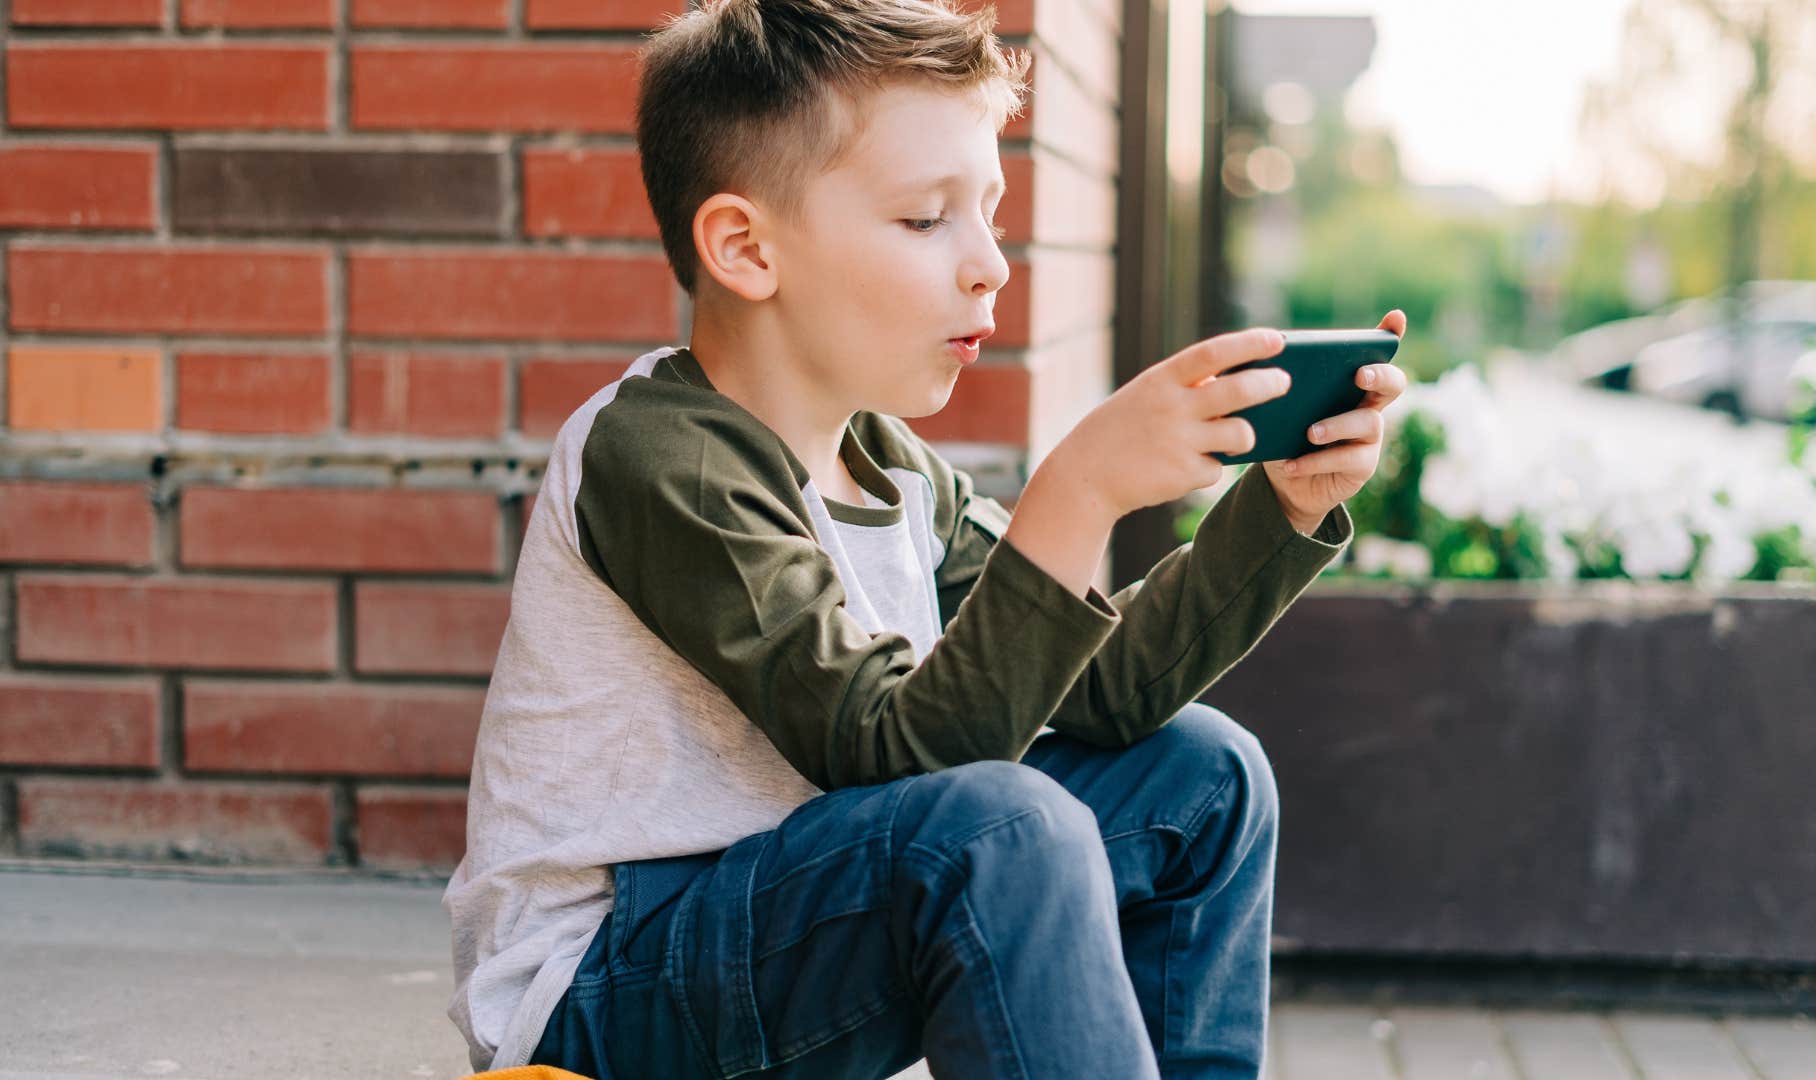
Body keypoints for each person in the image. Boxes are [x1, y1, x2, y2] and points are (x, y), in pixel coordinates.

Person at [442, 0, 1410, 1075]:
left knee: (1205, 778)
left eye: (989, 214)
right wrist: (1078, 491)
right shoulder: (663, 459)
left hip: (788, 917)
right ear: (745, 248)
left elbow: (1101, 694)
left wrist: (1281, 511)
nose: (990, 264)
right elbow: (896, 760)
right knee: (999, 828)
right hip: (603, 986)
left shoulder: (891, 470)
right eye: (926, 220)